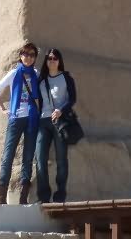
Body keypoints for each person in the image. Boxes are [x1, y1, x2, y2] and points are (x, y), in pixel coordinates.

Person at [0, 41, 40, 205]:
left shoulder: (36, 73)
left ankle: (23, 197)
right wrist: (3, 109)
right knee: (8, 156)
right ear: (21, 56)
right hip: (15, 119)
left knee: (28, 157)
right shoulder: (14, 73)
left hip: (32, 119)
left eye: (32, 55)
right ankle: (1, 198)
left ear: (35, 58)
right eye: (25, 54)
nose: (28, 57)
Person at [35, 47, 76, 203]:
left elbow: (72, 99)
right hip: (43, 121)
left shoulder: (66, 78)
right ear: (46, 61)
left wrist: (61, 110)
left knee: (61, 159)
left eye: (55, 58)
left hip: (59, 121)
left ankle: (60, 195)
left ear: (59, 61)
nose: (52, 61)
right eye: (49, 58)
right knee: (40, 158)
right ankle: (43, 196)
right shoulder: (42, 80)